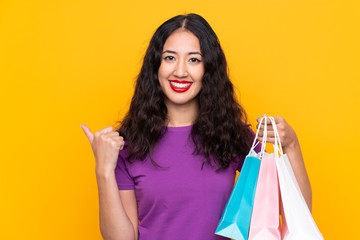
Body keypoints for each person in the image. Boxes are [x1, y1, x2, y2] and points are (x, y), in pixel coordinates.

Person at [80, 13, 312, 240]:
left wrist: (292, 146)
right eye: (170, 57)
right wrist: (103, 170)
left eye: (194, 59)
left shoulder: (232, 135)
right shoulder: (128, 143)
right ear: (155, 66)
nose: (180, 71)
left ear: (208, 70)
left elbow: (296, 215)